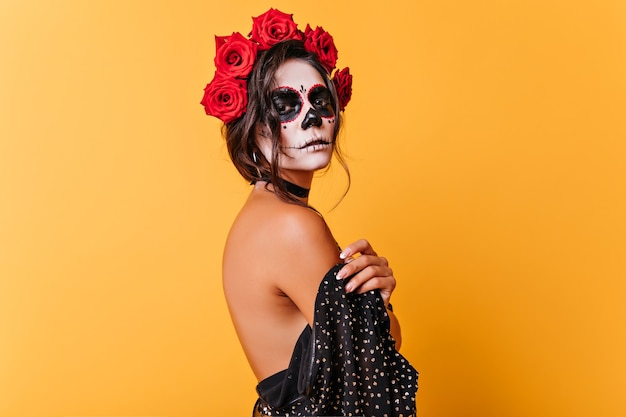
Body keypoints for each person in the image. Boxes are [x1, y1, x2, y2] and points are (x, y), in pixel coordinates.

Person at [201, 9, 417, 417]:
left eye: (320, 100)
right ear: (250, 124)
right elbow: (376, 361)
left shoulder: (257, 217)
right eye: (284, 105)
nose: (312, 118)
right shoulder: (293, 226)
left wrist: (376, 301)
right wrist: (379, 307)